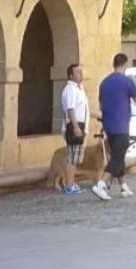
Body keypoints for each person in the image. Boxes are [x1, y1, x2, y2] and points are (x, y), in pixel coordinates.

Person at [90, 53, 136, 201]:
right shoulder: (126, 81)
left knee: (117, 156)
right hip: (121, 125)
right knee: (118, 158)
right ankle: (101, 184)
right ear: (125, 64)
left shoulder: (104, 83)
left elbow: (101, 105)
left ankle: (123, 186)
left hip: (108, 126)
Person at [60, 63, 90, 195]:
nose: (80, 74)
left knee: (76, 157)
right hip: (74, 125)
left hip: (81, 124)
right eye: (77, 72)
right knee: (71, 157)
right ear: (71, 75)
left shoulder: (79, 89)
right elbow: (71, 108)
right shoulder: (70, 89)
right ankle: (69, 184)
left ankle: (72, 182)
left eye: (81, 72)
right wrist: (76, 126)